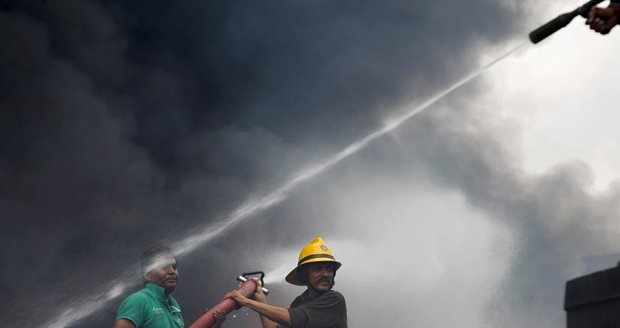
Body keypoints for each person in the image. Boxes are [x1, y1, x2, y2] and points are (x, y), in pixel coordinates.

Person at [223, 237, 347, 328]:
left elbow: (291, 318)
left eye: (329, 269)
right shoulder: (300, 302)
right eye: (318, 269)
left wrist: (245, 301)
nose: (325, 274)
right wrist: (259, 298)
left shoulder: (334, 300)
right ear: (305, 274)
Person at [113, 246, 225, 328]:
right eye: (163, 267)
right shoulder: (139, 301)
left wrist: (213, 324)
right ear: (147, 275)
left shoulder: (175, 310)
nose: (172, 271)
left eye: (174, 267)